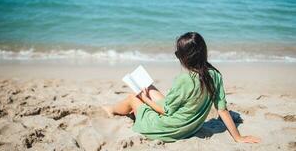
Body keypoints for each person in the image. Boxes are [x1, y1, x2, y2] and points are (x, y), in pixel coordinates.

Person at [104, 32, 261, 143]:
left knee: (133, 97)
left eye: (178, 54)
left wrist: (144, 98)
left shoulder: (184, 80)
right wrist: (238, 137)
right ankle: (136, 105)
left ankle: (111, 110)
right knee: (149, 87)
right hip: (190, 128)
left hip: (169, 128)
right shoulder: (215, 75)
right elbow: (222, 110)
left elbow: (166, 111)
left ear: (185, 58)